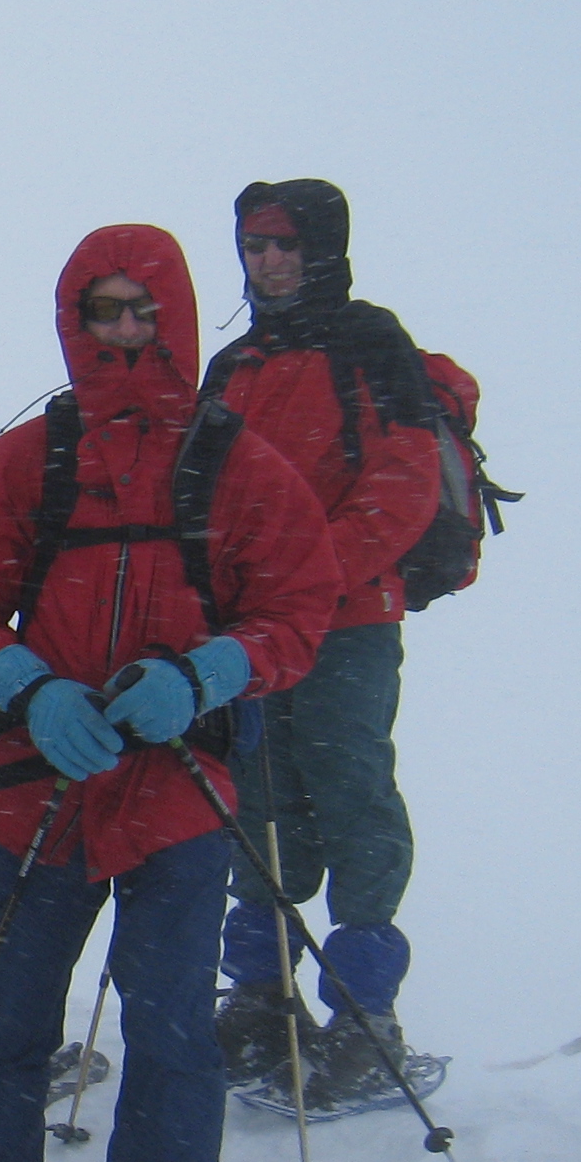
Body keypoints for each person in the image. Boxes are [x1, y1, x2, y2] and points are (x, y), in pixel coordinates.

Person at [0, 224, 337, 1162]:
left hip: (179, 799)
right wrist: (22, 683)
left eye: (140, 308)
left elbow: (300, 603)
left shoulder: (233, 462)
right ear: (73, 321)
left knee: (170, 1036)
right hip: (30, 796)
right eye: (102, 309)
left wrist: (204, 675)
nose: (123, 329)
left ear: (177, 316)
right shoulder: (30, 459)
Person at [201, 179, 441, 1104]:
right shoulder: (232, 368)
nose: (266, 262)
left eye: (282, 246)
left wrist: (309, 576)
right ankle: (261, 997)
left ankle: (365, 1012)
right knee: (258, 804)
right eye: (253, 246)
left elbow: (404, 476)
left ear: (323, 249)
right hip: (256, 633)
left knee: (350, 793)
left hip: (344, 625)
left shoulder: (371, 342)